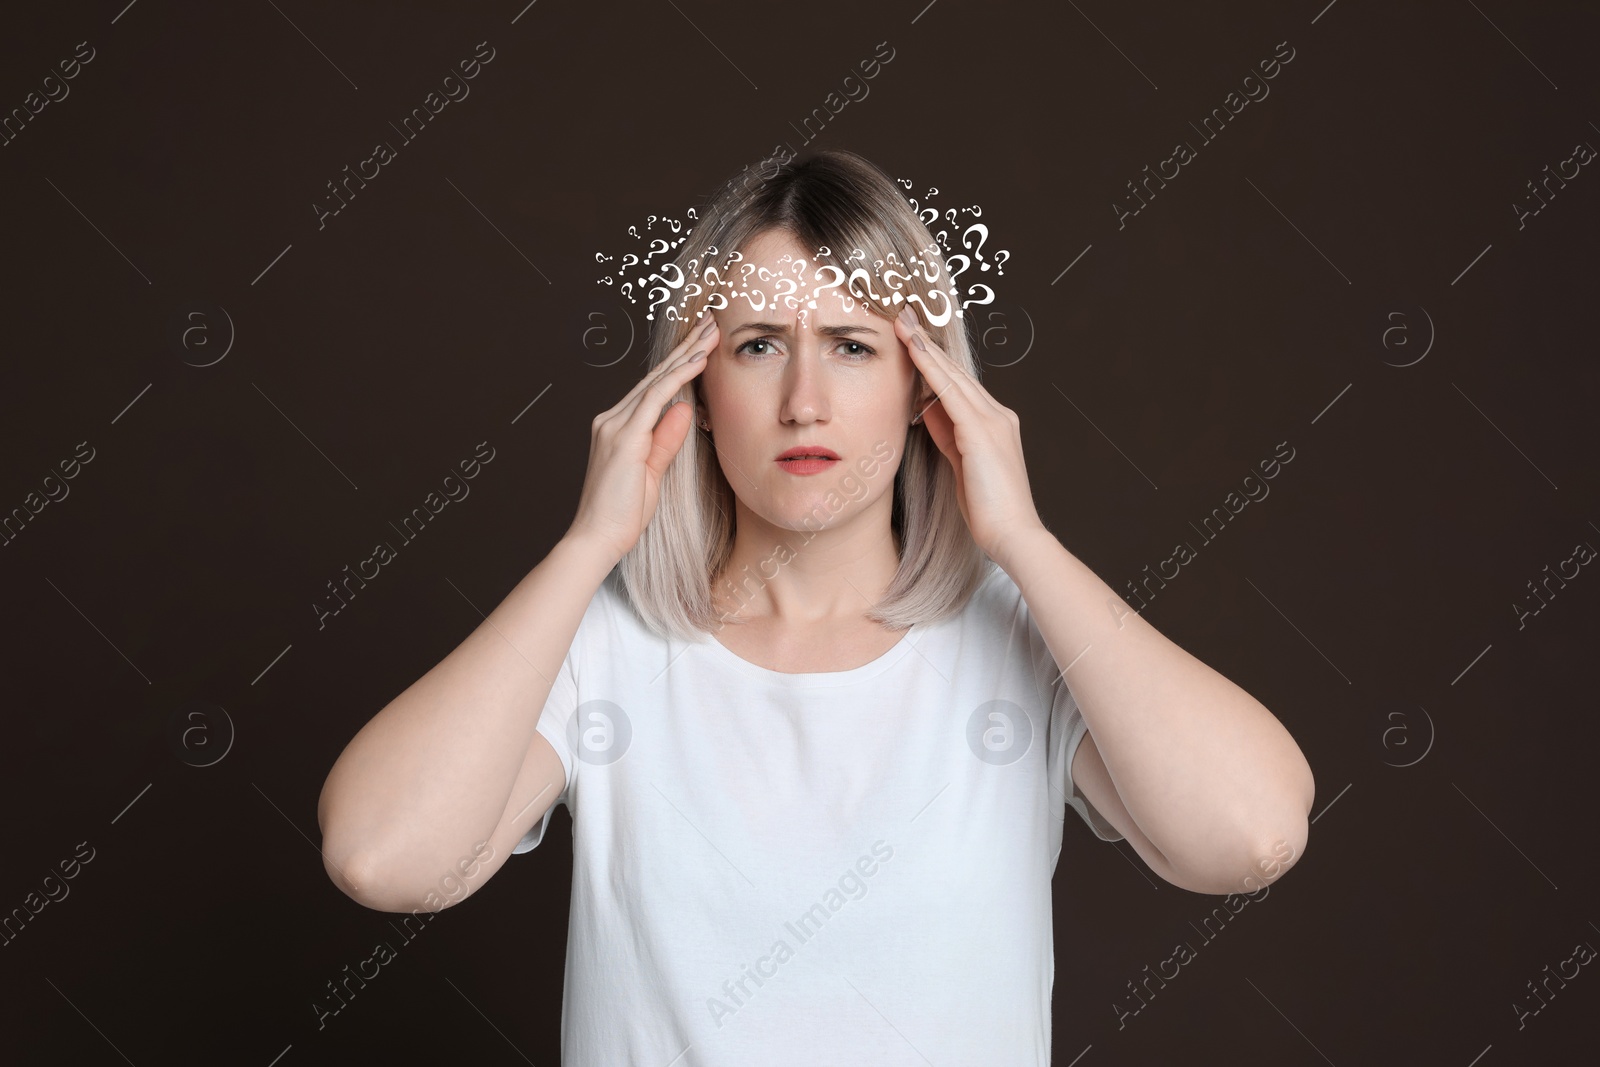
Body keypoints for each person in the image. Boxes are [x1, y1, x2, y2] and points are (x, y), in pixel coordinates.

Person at [317, 148, 1315, 1064]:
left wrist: (1024, 541)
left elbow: (1250, 836)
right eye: (756, 345)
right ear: (696, 385)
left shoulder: (1022, 635)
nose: (804, 400)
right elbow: (380, 856)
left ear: (923, 383)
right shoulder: (605, 646)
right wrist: (588, 547)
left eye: (849, 344)